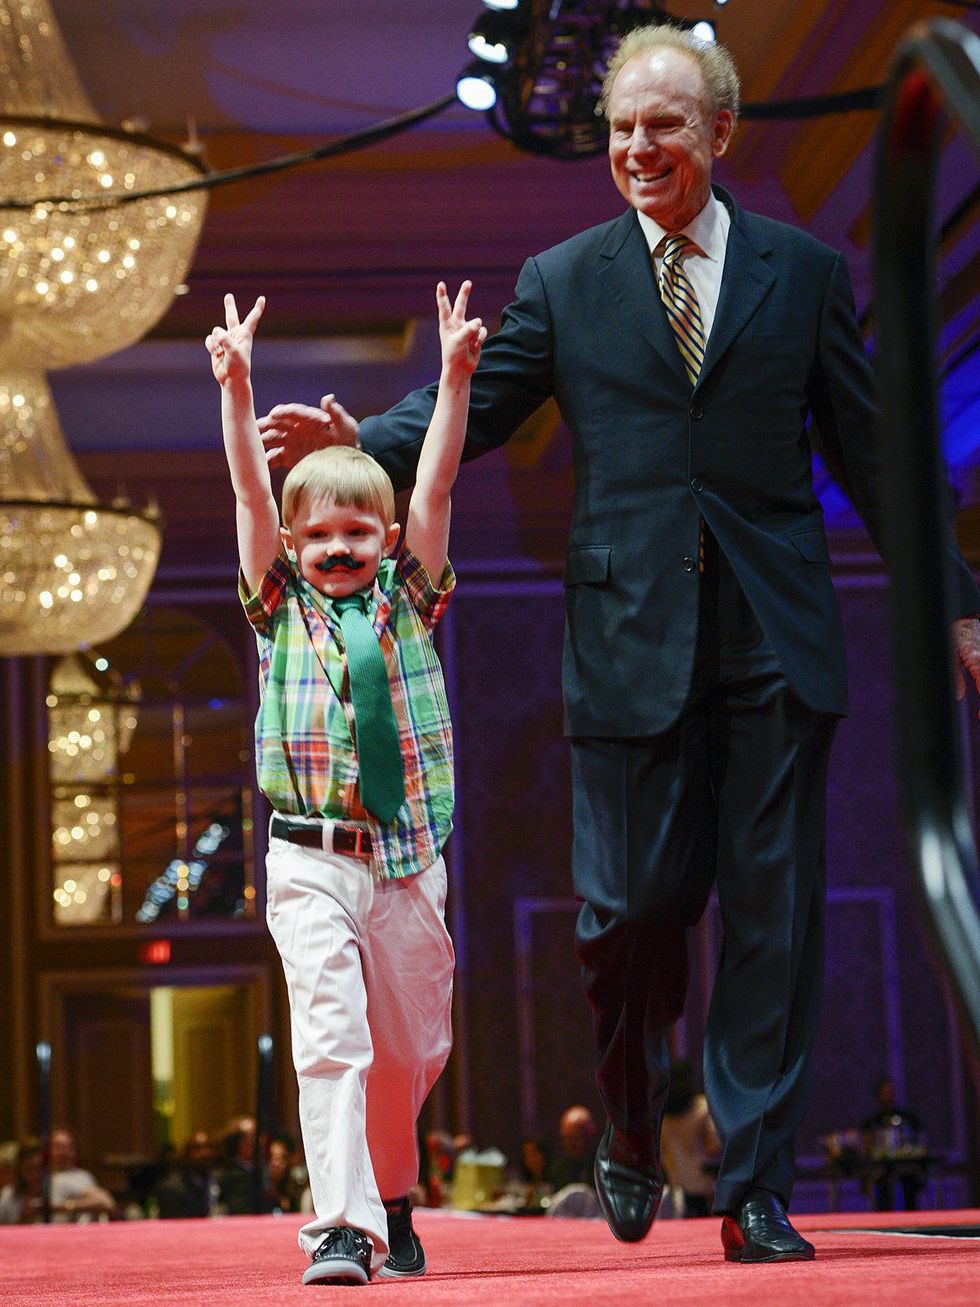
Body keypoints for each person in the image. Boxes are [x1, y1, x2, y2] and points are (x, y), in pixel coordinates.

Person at [257, 23, 980, 1265]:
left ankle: (754, 1186)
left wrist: (954, 595)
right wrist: (363, 440)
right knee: (628, 912)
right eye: (619, 131)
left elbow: (877, 453)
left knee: (774, 915)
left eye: (662, 125)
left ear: (718, 133)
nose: (637, 149)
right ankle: (633, 1118)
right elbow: (467, 401)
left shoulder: (801, 273)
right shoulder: (565, 278)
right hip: (626, 638)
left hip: (774, 634)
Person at [206, 278, 484, 1285]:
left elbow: (438, 488)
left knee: (411, 1050)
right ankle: (341, 1225)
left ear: (383, 539)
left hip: (406, 858)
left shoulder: (411, 598)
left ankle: (394, 1191)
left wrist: (453, 375)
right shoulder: (276, 607)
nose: (336, 548)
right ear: (291, 544)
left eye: (356, 533)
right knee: (331, 1037)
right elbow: (247, 488)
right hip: (307, 856)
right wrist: (236, 389)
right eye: (317, 535)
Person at [660, 1059, 720, 1217]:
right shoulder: (701, 1108)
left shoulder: (660, 1113)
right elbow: (714, 1146)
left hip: (672, 1190)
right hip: (702, 1189)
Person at [153, 1130, 218, 1219]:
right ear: (186, 1155)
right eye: (197, 1149)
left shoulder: (221, 1180)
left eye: (209, 1148)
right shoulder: (171, 1188)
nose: (204, 1153)